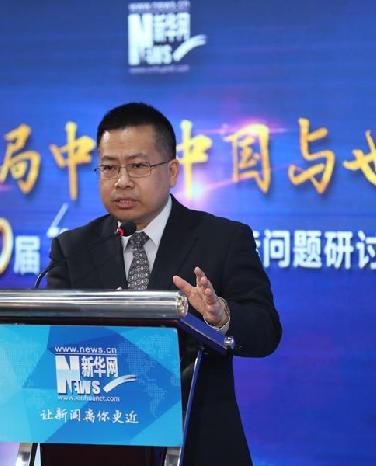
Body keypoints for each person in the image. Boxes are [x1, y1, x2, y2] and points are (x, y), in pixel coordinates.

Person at [43, 102, 282, 466]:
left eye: (138, 166)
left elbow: (266, 331)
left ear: (171, 172)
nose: (121, 180)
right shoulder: (72, 248)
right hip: (99, 444)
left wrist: (222, 316)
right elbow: (50, 343)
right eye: (109, 167)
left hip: (197, 445)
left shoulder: (222, 239)